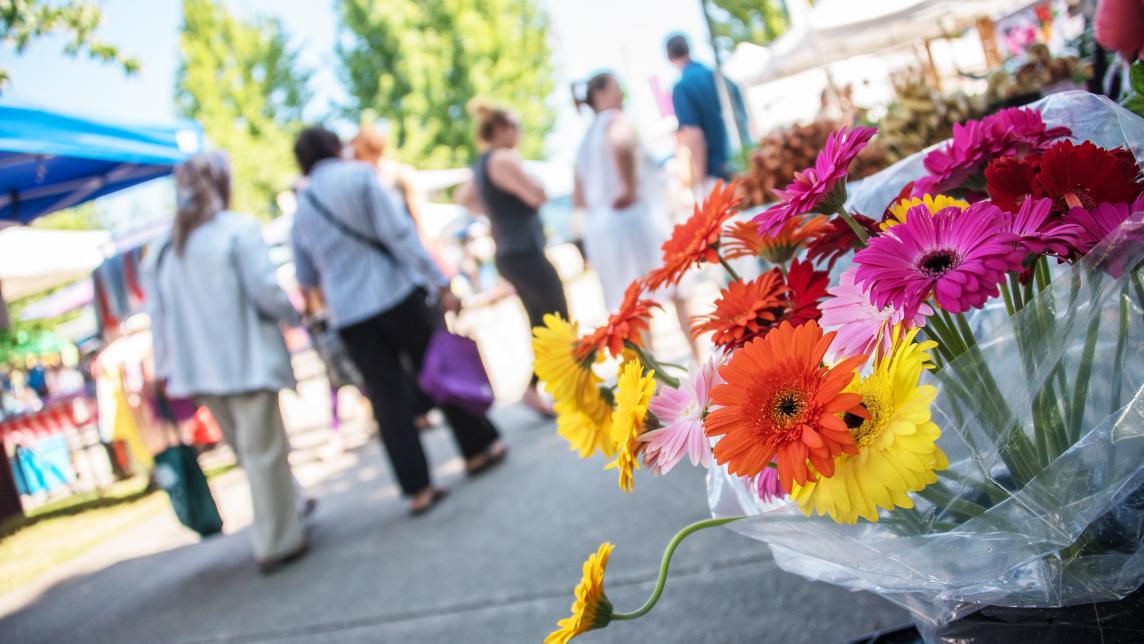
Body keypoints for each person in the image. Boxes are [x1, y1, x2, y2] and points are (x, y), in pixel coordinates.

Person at [290, 126, 506, 516]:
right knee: (439, 368)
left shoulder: (302, 206)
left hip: (349, 314)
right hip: (395, 293)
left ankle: (416, 488)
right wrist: (440, 282)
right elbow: (400, 234)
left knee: (386, 399)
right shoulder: (360, 177)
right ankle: (477, 448)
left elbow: (305, 277)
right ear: (334, 146)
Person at [142, 152, 308, 573]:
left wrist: (165, 369)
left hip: (198, 371)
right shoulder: (235, 230)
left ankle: (294, 503)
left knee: (251, 452)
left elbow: (158, 319)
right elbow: (265, 290)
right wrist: (294, 316)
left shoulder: (161, 249)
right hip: (246, 362)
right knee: (263, 452)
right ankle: (276, 541)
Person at [572, 72, 700, 362]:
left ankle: (649, 375)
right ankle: (699, 356)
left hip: (603, 229)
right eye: (617, 89)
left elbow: (578, 196)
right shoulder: (615, 120)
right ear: (601, 95)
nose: (621, 95)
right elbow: (621, 144)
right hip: (633, 218)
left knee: (631, 308)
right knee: (677, 288)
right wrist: (628, 187)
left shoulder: (584, 141)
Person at [456, 99, 568, 416]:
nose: (519, 134)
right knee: (557, 317)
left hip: (510, 250)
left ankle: (538, 388)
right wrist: (516, 199)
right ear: (502, 129)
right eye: (516, 127)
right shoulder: (504, 159)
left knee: (541, 321)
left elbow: (463, 198)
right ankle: (554, 388)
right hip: (524, 249)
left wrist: (495, 212)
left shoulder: (482, 163)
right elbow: (538, 195)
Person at [665, 34, 747, 195]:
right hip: (745, 164)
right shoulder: (720, 76)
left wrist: (701, 180)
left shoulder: (682, 87)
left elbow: (693, 134)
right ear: (689, 48)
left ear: (669, 57)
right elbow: (745, 118)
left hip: (719, 175)